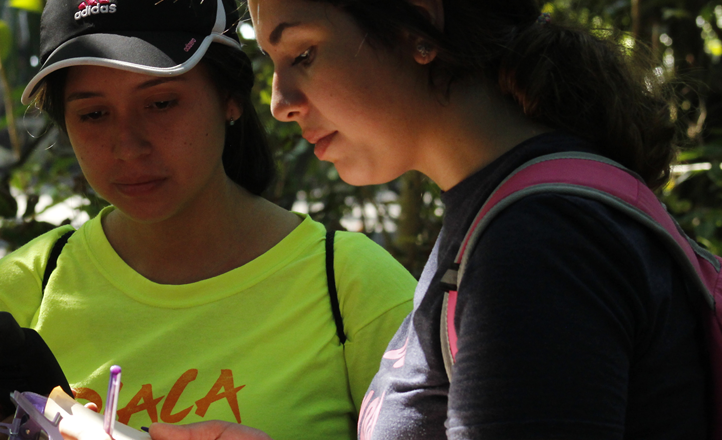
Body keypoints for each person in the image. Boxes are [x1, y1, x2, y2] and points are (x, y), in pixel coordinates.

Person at [152, 0, 709, 439]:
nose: (279, 102)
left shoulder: (538, 244)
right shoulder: (498, 219)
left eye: (302, 54)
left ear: (417, 23)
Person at [0, 0, 415, 439]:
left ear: (229, 97)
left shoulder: (354, 287)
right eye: (94, 114)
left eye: (161, 103)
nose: (128, 144)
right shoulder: (21, 290)